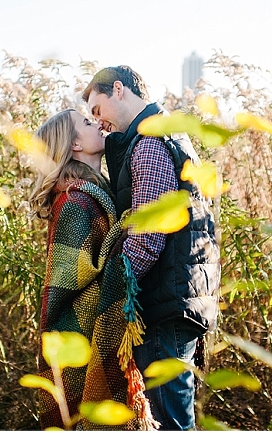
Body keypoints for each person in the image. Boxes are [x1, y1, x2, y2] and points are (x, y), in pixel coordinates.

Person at [82, 66, 221, 430]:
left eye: (98, 110)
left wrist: (110, 294)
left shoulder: (149, 144)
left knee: (169, 421)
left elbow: (147, 238)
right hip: (176, 299)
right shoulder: (166, 134)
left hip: (164, 305)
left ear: (118, 90)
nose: (99, 124)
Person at [29, 109, 156, 431]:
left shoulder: (96, 192)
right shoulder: (76, 201)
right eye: (86, 122)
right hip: (83, 329)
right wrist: (128, 231)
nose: (96, 123)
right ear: (73, 144)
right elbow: (69, 279)